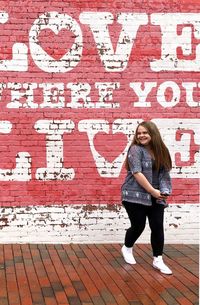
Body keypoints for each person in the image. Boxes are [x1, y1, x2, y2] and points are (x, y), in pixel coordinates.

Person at [121, 121, 172, 275]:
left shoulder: (162, 151)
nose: (141, 136)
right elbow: (137, 173)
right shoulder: (135, 150)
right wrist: (152, 191)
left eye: (145, 133)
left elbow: (164, 173)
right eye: (139, 133)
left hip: (156, 195)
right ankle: (127, 247)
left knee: (157, 226)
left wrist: (163, 191)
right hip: (133, 195)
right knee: (139, 225)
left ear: (153, 134)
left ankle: (158, 259)